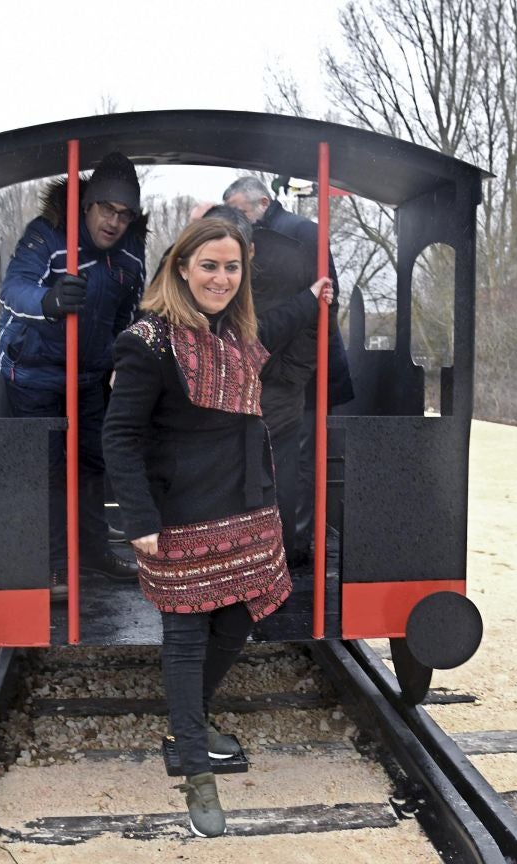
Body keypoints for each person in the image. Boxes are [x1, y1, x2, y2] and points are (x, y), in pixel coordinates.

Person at [102, 217, 332, 837]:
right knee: (184, 637)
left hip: (248, 504)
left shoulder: (239, 334)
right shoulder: (146, 342)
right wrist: (138, 516)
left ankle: (189, 722)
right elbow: (119, 436)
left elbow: (279, 323)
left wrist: (313, 298)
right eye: (209, 266)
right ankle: (197, 774)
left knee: (238, 617)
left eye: (232, 268)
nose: (221, 278)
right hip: (180, 511)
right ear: (181, 267)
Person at [0, 151, 144, 595]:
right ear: (87, 205)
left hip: (88, 379)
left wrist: (123, 356)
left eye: (124, 214)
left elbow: (126, 316)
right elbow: (13, 290)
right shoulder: (48, 236)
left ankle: (95, 551)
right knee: (51, 470)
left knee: (93, 463)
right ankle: (56, 564)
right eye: (106, 209)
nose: (113, 222)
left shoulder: (129, 259)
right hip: (35, 374)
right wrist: (49, 301)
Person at [223, 176, 353, 566]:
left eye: (239, 211)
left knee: (297, 462)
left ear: (262, 202)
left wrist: (291, 372)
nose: (235, 220)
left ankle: (293, 546)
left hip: (302, 374)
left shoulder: (303, 234)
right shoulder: (253, 240)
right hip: (272, 370)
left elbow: (323, 306)